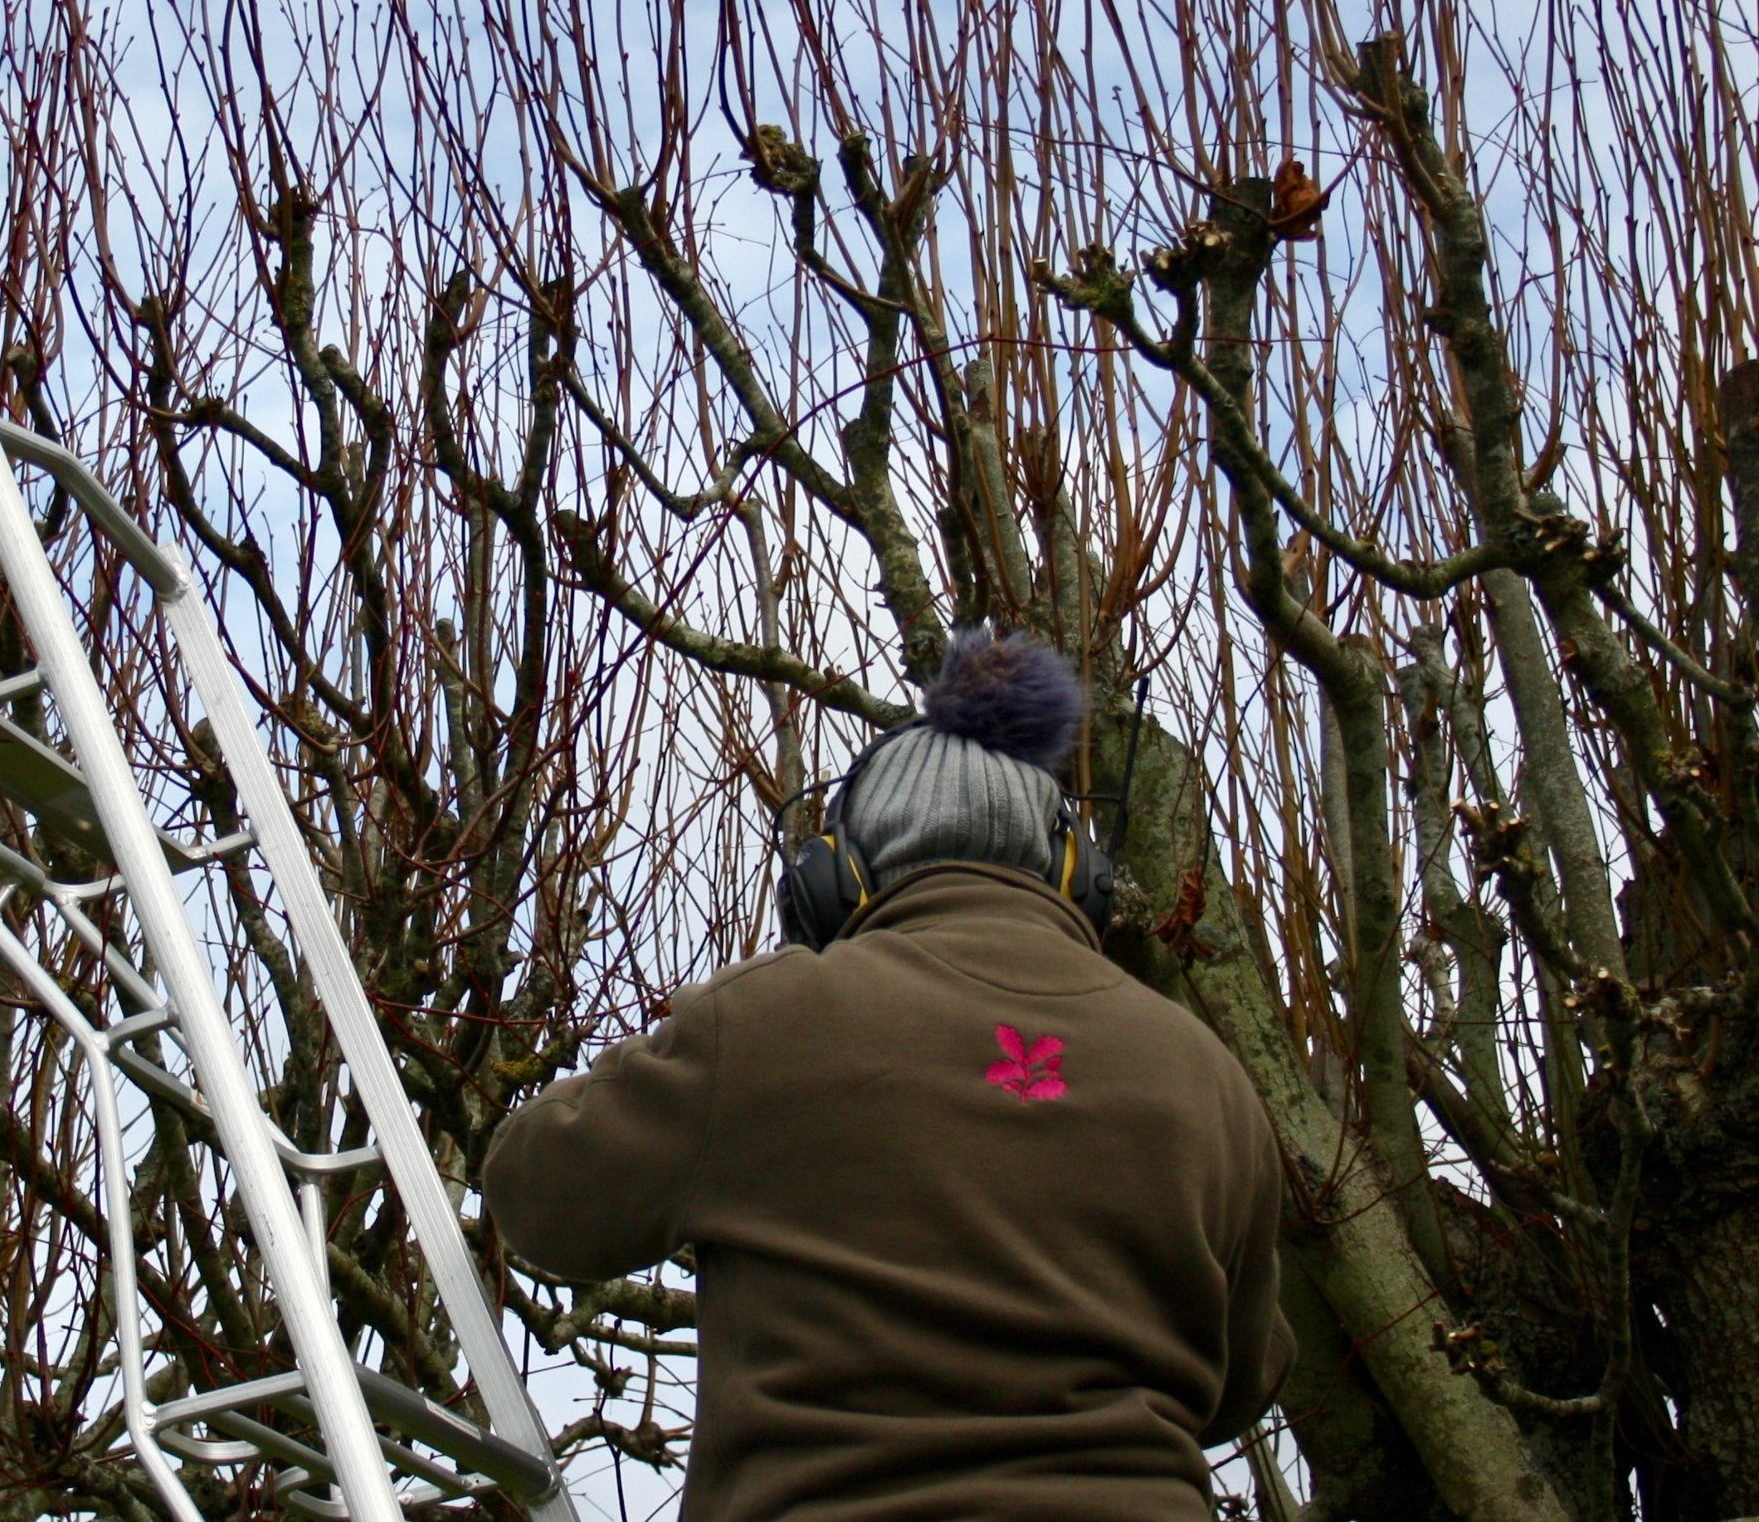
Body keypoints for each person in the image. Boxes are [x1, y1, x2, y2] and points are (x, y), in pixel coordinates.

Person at [483, 628, 1293, 1521]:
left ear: (837, 880)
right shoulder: (1206, 1075)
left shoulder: (767, 1022)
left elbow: (538, 1201)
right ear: (1074, 872)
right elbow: (1243, 1383)